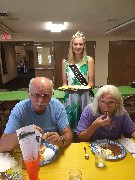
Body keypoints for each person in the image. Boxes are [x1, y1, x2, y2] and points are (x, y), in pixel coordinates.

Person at [0, 77, 73, 152]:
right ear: (29, 94)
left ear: (52, 95)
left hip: (52, 152)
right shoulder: (19, 109)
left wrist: (61, 140)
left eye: (46, 95)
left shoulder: (57, 106)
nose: (41, 101)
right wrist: (25, 133)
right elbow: (2, 146)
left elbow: (68, 135)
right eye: (36, 95)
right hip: (27, 153)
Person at [62, 31, 95, 131]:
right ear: (71, 45)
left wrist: (84, 88)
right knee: (71, 121)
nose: (78, 46)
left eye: (80, 44)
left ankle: (85, 138)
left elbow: (91, 82)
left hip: (85, 96)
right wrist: (65, 88)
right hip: (71, 96)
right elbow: (64, 83)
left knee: (86, 122)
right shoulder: (65, 62)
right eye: (75, 44)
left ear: (84, 46)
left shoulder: (89, 60)